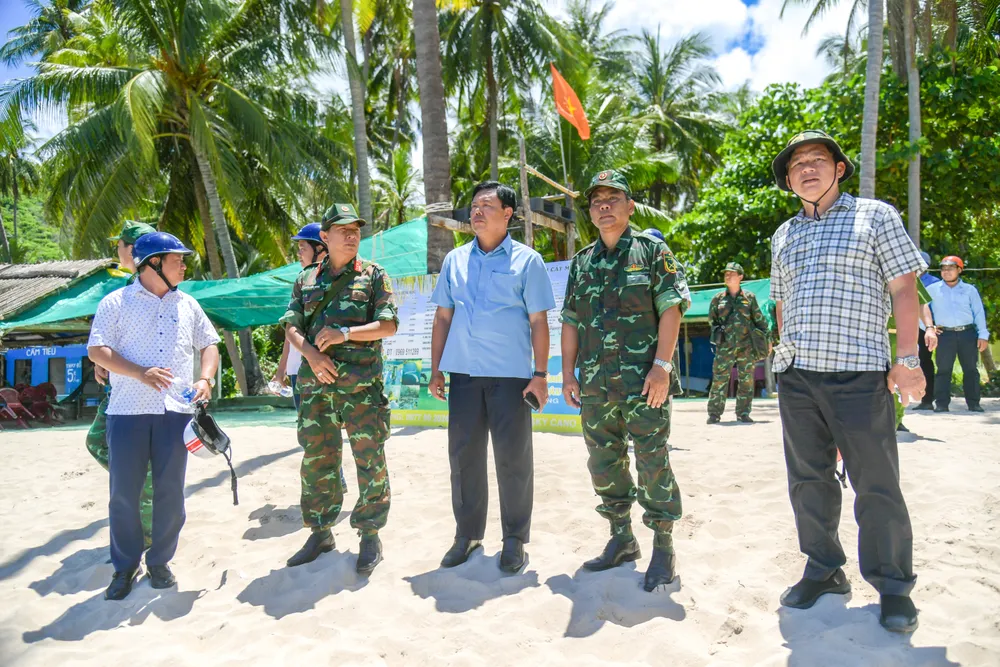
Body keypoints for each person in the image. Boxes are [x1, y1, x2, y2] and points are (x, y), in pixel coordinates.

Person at [769, 130, 924, 632]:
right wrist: (783, 354)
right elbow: (781, 303)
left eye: (817, 160)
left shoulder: (875, 216)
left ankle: (894, 587)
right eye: (796, 166)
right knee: (808, 481)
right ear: (789, 181)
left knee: (876, 484)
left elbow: (904, 289)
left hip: (859, 373)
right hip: (797, 377)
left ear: (839, 169)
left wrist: (908, 357)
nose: (806, 169)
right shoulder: (783, 234)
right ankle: (824, 568)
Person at [561, 169, 690, 592]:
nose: (603, 206)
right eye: (597, 200)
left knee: (653, 461)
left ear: (629, 206)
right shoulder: (582, 261)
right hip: (597, 385)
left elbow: (671, 307)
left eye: (612, 198)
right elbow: (571, 322)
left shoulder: (652, 251)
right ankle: (622, 539)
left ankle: (664, 548)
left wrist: (663, 366)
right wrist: (568, 374)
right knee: (604, 463)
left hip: (644, 381)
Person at [430, 181, 555, 574]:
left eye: (486, 205)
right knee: (463, 458)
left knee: (513, 460)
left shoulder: (528, 261)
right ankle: (467, 535)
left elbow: (539, 321)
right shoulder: (454, 260)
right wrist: (436, 369)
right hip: (464, 374)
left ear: (508, 214)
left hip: (511, 377)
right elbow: (443, 317)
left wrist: (540, 375)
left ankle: (515, 538)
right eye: (473, 206)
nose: (476, 212)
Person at [88, 232, 221, 600]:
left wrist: (205, 378)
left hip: (175, 414)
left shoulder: (189, 304)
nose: (184, 264)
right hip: (127, 411)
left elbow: (209, 344)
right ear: (152, 263)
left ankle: (160, 562)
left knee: (170, 492)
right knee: (123, 495)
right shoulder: (115, 302)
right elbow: (97, 350)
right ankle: (125, 568)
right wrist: (139, 373)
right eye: (176, 258)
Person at [281, 203, 398, 576]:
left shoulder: (374, 276)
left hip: (361, 389)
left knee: (369, 459)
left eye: (356, 230)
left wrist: (345, 334)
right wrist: (312, 355)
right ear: (325, 237)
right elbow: (292, 326)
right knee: (318, 458)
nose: (351, 236)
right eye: (343, 230)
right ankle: (320, 532)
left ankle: (369, 536)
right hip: (317, 388)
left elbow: (388, 325)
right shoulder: (306, 279)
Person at [86, 220, 158, 551]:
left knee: (103, 444)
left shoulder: (146, 287)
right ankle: (145, 493)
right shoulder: (129, 286)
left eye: (119, 245)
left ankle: (148, 521)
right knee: (100, 443)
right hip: (123, 385)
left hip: (136, 389)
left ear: (131, 249)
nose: (116, 250)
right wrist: (104, 362)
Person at [706, 262, 770, 424]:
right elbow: (712, 320)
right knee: (719, 379)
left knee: (746, 380)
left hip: (746, 346)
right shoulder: (717, 299)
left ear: (740, 277)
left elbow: (760, 322)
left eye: (732, 273)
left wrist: (768, 341)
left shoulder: (749, 298)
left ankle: (743, 412)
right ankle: (714, 413)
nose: (728, 276)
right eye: (726, 273)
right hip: (725, 346)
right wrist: (718, 333)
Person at [926, 255, 990, 413]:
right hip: (944, 334)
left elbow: (979, 313)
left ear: (959, 270)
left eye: (950, 268)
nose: (946, 272)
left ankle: (974, 403)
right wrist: (929, 327)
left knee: (971, 369)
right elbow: (922, 310)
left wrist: (983, 335)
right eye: (943, 268)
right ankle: (941, 404)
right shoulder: (932, 290)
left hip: (967, 333)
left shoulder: (970, 290)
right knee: (943, 370)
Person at [912, 251, 940, 410]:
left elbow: (933, 307)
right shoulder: (903, 278)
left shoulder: (934, 283)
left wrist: (933, 327)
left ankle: (927, 400)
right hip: (907, 326)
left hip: (926, 328)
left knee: (926, 362)